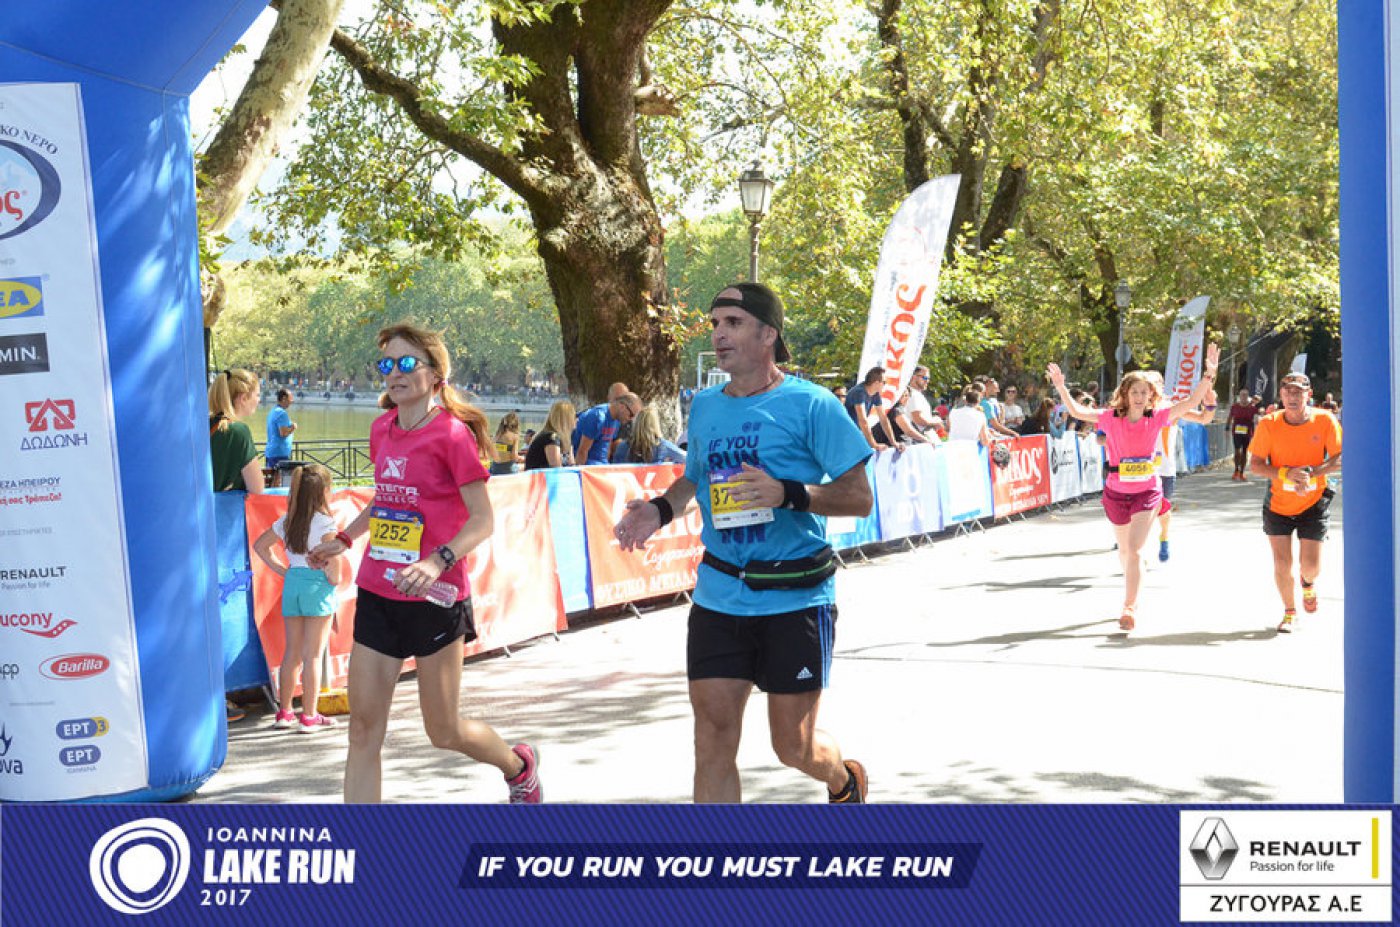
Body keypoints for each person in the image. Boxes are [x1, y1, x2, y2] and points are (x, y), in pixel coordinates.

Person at [613, 282, 873, 804]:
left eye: (732, 323)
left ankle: (843, 780)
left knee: (793, 746)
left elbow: (859, 498)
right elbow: (695, 478)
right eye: (715, 324)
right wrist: (659, 510)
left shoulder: (813, 405)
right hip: (720, 594)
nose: (718, 334)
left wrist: (788, 493)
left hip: (795, 596)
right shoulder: (707, 405)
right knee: (711, 739)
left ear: (768, 334)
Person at [307, 322, 541, 804]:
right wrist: (345, 539)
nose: (394, 372)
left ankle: (518, 767)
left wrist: (437, 561)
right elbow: (387, 499)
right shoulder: (381, 428)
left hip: (435, 597)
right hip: (379, 590)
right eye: (386, 364)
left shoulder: (452, 435)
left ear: (436, 374)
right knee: (363, 730)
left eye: (407, 362)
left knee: (444, 730)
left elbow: (482, 520)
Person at [1047, 344, 1219, 632]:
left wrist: (1209, 375)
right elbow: (1076, 410)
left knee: (1134, 548)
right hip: (1116, 492)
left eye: (1144, 393)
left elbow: (1191, 402)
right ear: (1125, 395)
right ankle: (1133, 582)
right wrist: (1061, 386)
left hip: (1147, 491)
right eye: (1135, 392)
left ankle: (1129, 606)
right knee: (1125, 553)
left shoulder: (1158, 416)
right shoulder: (1110, 418)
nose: (1140, 397)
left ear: (1151, 396)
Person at [1246, 372, 1343, 633]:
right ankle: (1289, 612)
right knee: (1282, 564)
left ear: (1308, 395)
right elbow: (1256, 465)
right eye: (1288, 391)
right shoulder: (1269, 423)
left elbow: (1340, 457)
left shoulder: (1325, 420)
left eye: (1298, 392)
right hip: (1278, 504)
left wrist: (1312, 473)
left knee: (1310, 567)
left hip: (1314, 502)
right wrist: (1285, 474)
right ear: (1280, 395)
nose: (1292, 396)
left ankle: (1307, 583)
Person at [251, 463, 342, 733]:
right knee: (313, 655)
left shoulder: (287, 521)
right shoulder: (325, 523)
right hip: (317, 585)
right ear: (324, 492)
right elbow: (334, 566)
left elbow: (260, 546)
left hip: (292, 583)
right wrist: (334, 580)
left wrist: (282, 569)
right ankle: (310, 716)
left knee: (291, 652)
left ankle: (285, 712)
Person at [209, 368, 266, 495]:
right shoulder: (239, 431)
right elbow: (257, 488)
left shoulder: (204, 424)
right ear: (244, 398)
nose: (259, 400)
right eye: (257, 395)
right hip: (224, 507)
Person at [572, 391, 641, 465]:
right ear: (622, 407)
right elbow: (582, 451)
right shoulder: (598, 417)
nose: (631, 420)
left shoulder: (617, 420)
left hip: (602, 465)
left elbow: (607, 447)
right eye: (631, 415)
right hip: (590, 465)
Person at [612, 405, 687, 464]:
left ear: (636, 423)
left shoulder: (622, 446)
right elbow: (686, 458)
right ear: (655, 424)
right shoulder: (662, 446)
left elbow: (615, 468)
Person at [844, 366, 895, 451]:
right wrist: (874, 445)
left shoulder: (875, 393)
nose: (885, 385)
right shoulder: (859, 392)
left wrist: (893, 442)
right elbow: (863, 421)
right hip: (845, 434)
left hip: (855, 434)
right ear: (876, 383)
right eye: (884, 382)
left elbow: (883, 419)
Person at [524, 401, 577, 469]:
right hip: (541, 474)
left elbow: (572, 464)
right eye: (574, 416)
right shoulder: (551, 437)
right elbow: (556, 467)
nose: (577, 419)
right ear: (566, 419)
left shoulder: (566, 439)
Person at [1228, 389, 1260, 481]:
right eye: (1242, 395)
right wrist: (1227, 427)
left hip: (1248, 432)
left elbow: (1257, 418)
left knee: (1244, 452)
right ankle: (1236, 470)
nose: (1243, 397)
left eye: (1245, 395)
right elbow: (1230, 417)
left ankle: (1242, 472)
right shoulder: (1235, 406)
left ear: (1247, 397)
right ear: (1239, 396)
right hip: (1236, 432)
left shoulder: (1252, 408)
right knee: (1237, 451)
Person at [265, 388, 298, 469]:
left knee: (272, 476)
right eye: (290, 399)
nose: (291, 402)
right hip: (279, 454)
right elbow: (283, 433)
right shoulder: (281, 413)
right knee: (280, 477)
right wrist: (293, 427)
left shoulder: (273, 411)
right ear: (284, 399)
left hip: (272, 453)